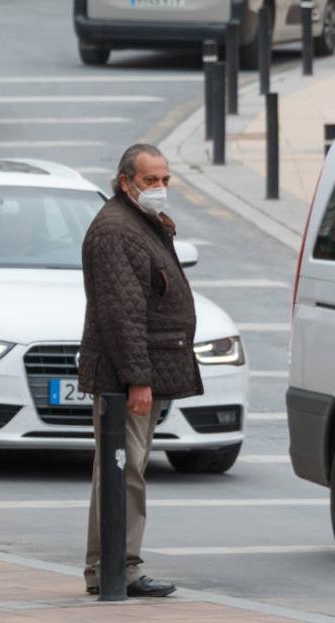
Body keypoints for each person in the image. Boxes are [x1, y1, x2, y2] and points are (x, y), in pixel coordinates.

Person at [78, 143, 202, 599]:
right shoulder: (116, 230)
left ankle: (108, 564)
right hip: (123, 377)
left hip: (136, 371)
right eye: (151, 180)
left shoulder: (139, 224)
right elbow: (121, 314)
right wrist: (138, 379)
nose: (161, 188)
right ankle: (119, 567)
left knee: (121, 469)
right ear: (126, 181)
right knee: (124, 469)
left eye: (165, 179)